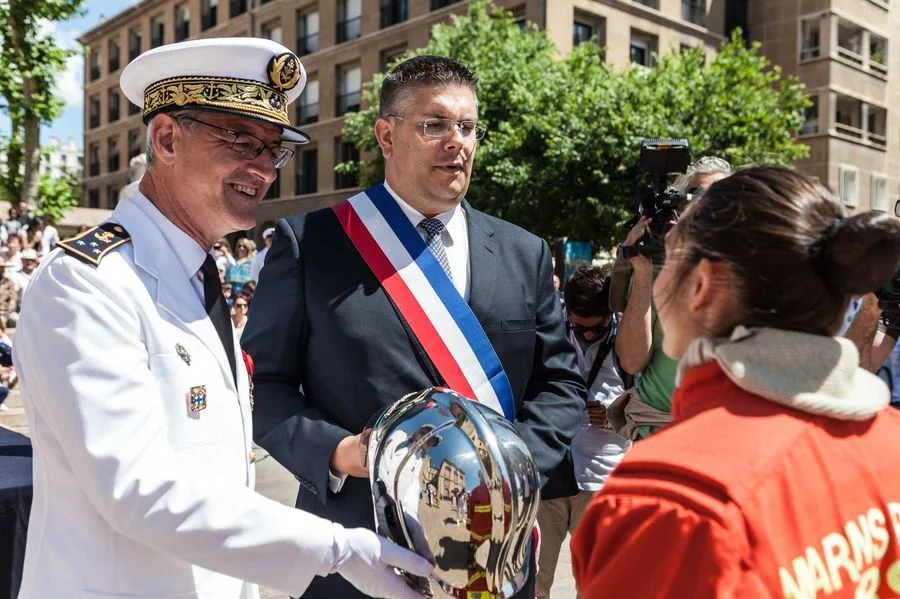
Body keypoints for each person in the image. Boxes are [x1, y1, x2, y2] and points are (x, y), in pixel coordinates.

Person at [12, 37, 430, 599]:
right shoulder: (86, 282)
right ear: (165, 138)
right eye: (239, 139)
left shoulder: (196, 276)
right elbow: (138, 490)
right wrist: (333, 547)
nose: (262, 167)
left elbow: (221, 480)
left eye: (273, 149)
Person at [242, 55, 586, 599]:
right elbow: (264, 389)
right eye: (434, 125)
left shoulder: (525, 251)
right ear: (385, 135)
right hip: (355, 552)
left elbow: (561, 385)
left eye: (468, 127)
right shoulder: (312, 243)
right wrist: (339, 453)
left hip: (492, 552)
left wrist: (503, 464)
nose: (458, 142)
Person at [571, 166, 900, 598]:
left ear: (702, 286)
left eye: (668, 256)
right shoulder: (889, 444)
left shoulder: (666, 499)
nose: (660, 273)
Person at [610, 156, 732, 438]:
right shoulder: (657, 272)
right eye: (699, 195)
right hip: (657, 432)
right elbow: (631, 361)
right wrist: (641, 272)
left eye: (722, 195)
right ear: (681, 207)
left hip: (723, 435)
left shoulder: (752, 271)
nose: (709, 205)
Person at [536, 265, 628, 599]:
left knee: (595, 581)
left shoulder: (628, 342)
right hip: (554, 473)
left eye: (597, 328)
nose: (588, 336)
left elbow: (650, 404)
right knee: (536, 577)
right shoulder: (553, 337)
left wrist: (614, 416)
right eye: (580, 327)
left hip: (602, 476)